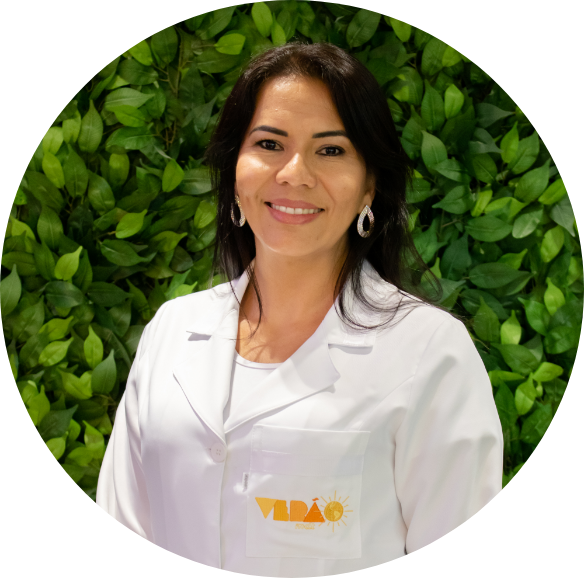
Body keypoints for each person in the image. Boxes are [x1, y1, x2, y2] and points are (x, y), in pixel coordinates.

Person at [96, 41, 504, 576]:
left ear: (370, 186)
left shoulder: (428, 352)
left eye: (330, 150)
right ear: (235, 170)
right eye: (269, 143)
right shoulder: (172, 330)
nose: (294, 173)